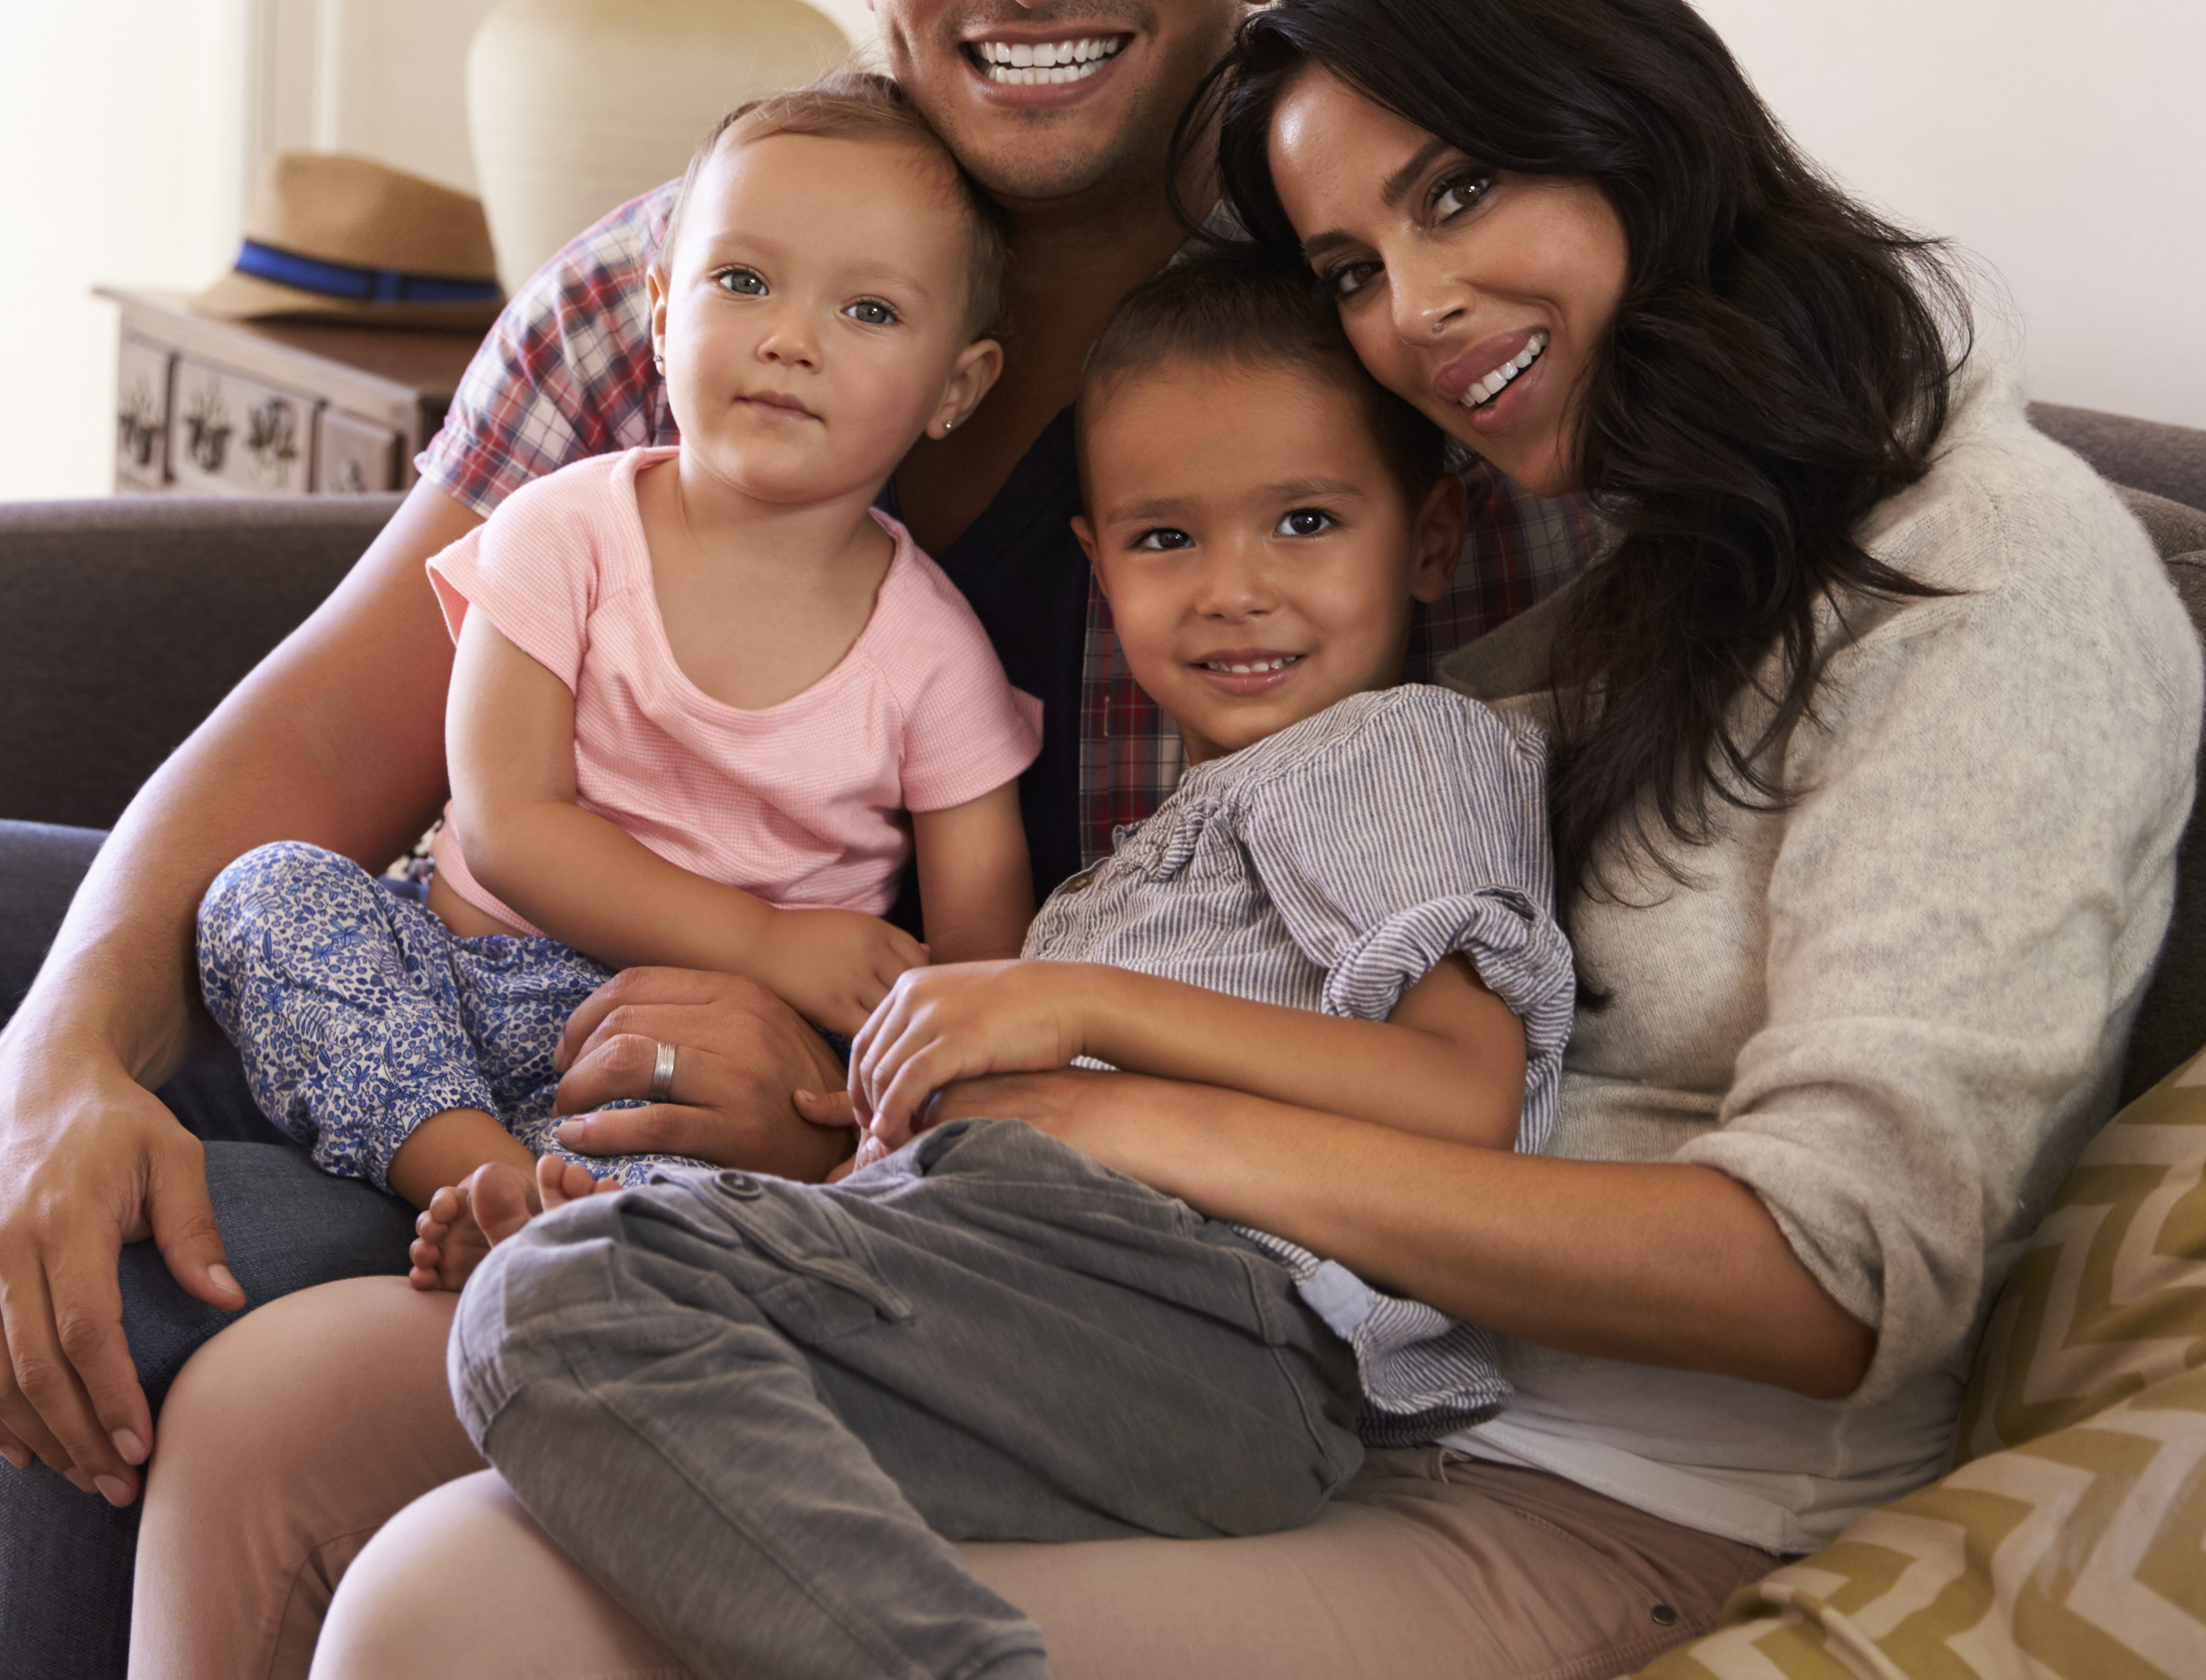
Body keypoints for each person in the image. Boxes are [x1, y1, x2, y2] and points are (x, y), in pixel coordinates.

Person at [0, 0, 1601, 1678]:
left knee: (138, 1283)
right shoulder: (672, 275)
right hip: (443, 983)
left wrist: (845, 1101)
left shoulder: (1367, 373)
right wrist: (51, 1059)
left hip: (832, 1184)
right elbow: (330, 728)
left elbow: (1364, 1020)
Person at [119, 0, 2204, 1680]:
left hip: (1594, 1486)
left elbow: (1826, 1280)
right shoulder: (1599, 582)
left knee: (458, 1598)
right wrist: (846, 1101)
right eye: (1349, 266)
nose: (1417, 311)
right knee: (270, 1410)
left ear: (1646, 135)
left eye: (1456, 193)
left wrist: (1125, 1108)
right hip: (1201, 1323)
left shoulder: (1986, 577)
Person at [445, 249, 1577, 1680]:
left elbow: (1461, 1101)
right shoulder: (1155, 850)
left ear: (1425, 539)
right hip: (1028, 1277)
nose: (1234, 590)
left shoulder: (1403, 743)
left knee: (553, 1306)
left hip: (1211, 1327)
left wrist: (1078, 998)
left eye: (1303, 521)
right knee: (559, 1296)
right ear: (1097, 561)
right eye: (1166, 539)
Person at [195, 74, 1041, 1292]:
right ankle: (478, 1176)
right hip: (456, 966)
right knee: (264, 895)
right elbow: (509, 822)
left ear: (956, 387)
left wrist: (844, 1051)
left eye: (866, 309)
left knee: (732, 1190)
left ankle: (560, 1215)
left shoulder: (935, 655)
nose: (787, 336)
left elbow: (975, 962)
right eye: (741, 282)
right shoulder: (564, 530)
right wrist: (771, 941)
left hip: (686, 1061)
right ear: (656, 312)